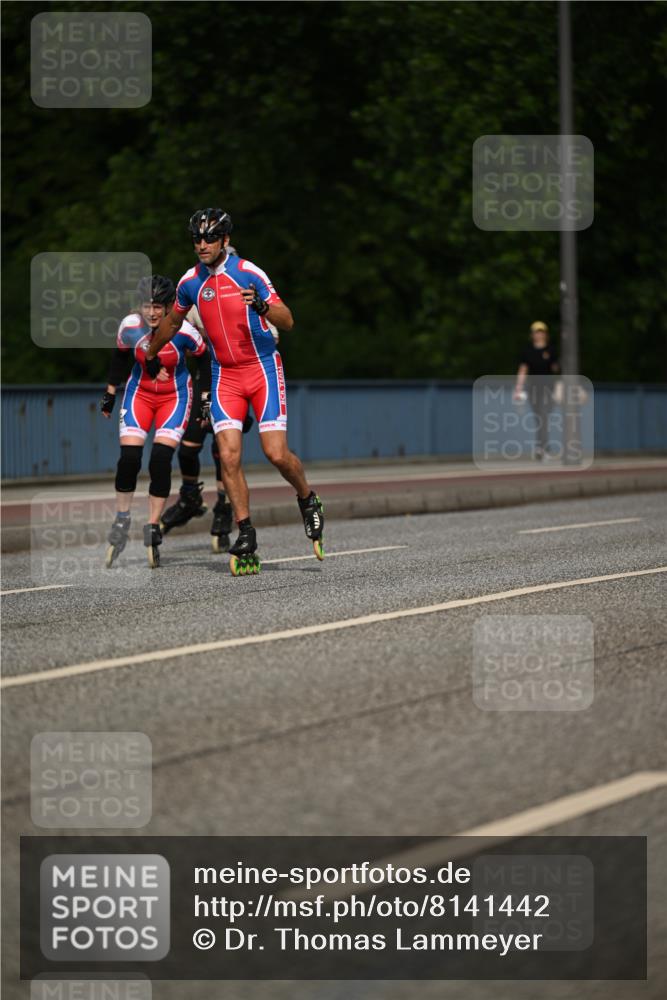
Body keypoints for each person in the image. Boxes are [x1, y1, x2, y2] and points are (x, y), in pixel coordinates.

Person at [144, 208, 324, 575]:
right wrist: (149, 352)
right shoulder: (190, 282)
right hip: (224, 374)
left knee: (276, 454)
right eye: (196, 238)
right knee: (227, 456)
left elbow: (287, 321)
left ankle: (307, 498)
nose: (202, 244)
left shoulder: (248, 272)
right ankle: (245, 532)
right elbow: (173, 323)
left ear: (225, 240)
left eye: (210, 238)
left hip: (261, 370)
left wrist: (261, 306)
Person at [100, 274, 206, 567]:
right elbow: (120, 357)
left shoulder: (184, 330)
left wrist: (206, 396)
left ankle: (153, 525)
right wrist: (110, 392)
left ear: (170, 306)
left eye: (159, 306)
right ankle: (121, 520)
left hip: (175, 397)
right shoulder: (130, 327)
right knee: (129, 459)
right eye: (148, 306)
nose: (153, 312)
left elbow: (204, 358)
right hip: (139, 395)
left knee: (160, 459)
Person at [160, 254, 256, 554]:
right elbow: (182, 334)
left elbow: (268, 340)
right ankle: (190, 495)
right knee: (189, 445)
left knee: (223, 449)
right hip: (206, 374)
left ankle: (224, 507)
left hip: (237, 372)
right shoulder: (198, 289)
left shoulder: (246, 290)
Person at [513, 320, 560, 460]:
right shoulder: (528, 351)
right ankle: (542, 448)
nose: (539, 335)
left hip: (548, 388)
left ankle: (542, 448)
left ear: (545, 334)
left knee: (544, 417)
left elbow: (557, 371)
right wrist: (518, 388)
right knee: (540, 418)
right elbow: (523, 369)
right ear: (532, 335)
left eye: (541, 332)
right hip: (533, 388)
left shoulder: (551, 350)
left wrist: (560, 387)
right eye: (536, 332)